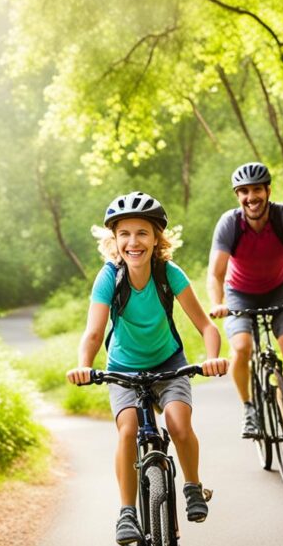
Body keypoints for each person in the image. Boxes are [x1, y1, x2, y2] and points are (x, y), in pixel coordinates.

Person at [66, 191, 228, 546]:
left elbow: (206, 326)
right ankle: (127, 511)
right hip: (123, 367)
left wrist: (213, 356)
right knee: (127, 431)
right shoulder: (109, 277)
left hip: (169, 364)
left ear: (157, 239)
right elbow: (94, 333)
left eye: (142, 233)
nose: (133, 241)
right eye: (124, 234)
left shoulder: (168, 273)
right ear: (114, 240)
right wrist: (83, 366)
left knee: (178, 423)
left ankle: (191, 486)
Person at [207, 162, 283, 446]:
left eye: (257, 190)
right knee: (241, 347)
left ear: (268, 190)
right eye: (244, 192)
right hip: (238, 294)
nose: (252, 197)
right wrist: (217, 303)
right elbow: (216, 272)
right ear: (238, 196)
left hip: (278, 292)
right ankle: (249, 409)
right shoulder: (230, 224)